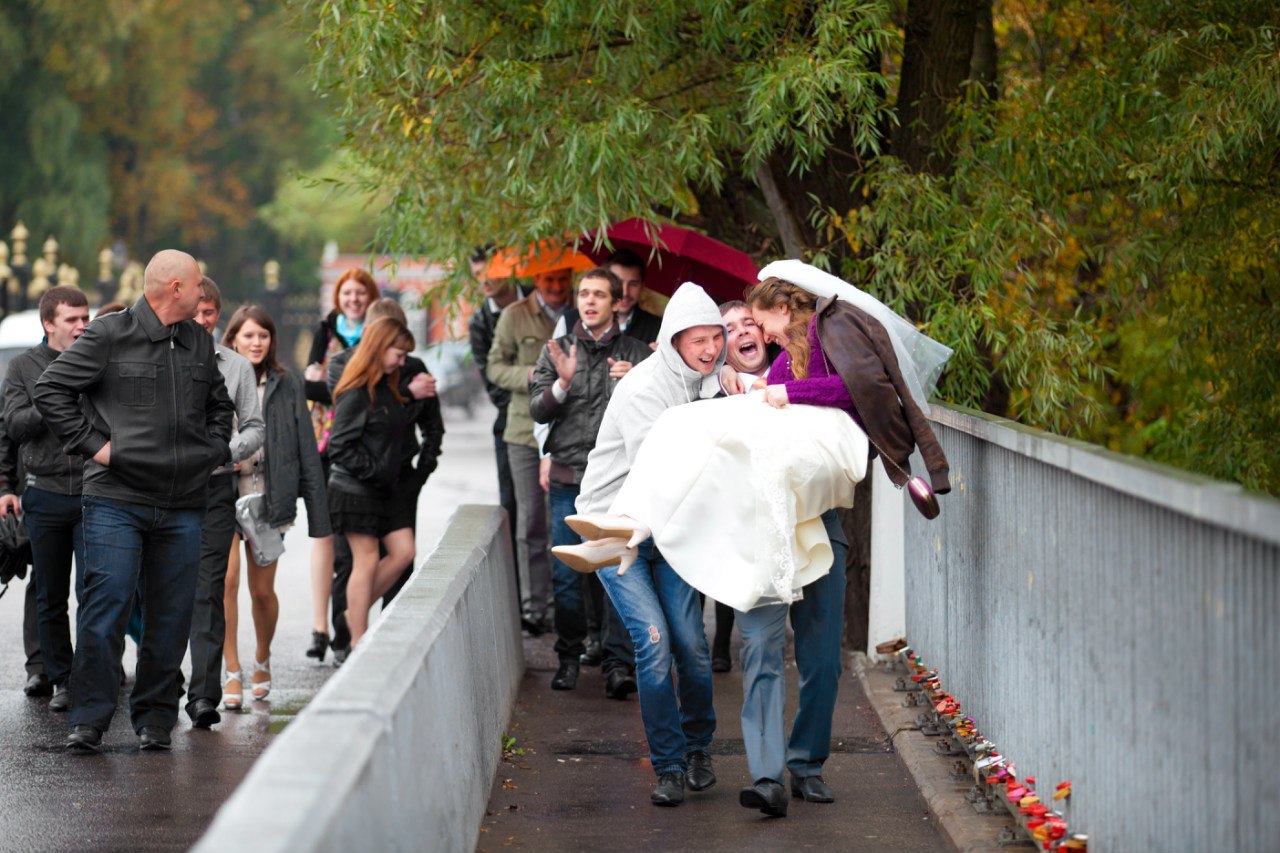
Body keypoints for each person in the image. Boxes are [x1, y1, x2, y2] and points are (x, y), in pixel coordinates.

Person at [562, 260, 953, 814]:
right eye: (732, 329)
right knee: (761, 652)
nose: (750, 333)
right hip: (760, 532)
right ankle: (767, 776)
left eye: (753, 324)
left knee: (821, 661)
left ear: (778, 322)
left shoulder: (801, 365)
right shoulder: (724, 387)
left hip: (817, 526)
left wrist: (779, 392)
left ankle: (807, 764)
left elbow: (854, 392)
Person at [33, 249, 235, 754]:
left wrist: (209, 451)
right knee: (107, 609)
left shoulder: (198, 340)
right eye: (195, 284)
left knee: (170, 618)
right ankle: (89, 719)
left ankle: (154, 720)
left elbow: (219, 406)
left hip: (184, 502)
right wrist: (97, 448)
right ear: (173, 289)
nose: (202, 290)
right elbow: (50, 388)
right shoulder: (109, 335)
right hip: (115, 500)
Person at [555, 282, 725, 808]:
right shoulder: (644, 390)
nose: (709, 349)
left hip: (672, 531)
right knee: (653, 646)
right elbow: (667, 471)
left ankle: (698, 751)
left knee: (693, 649)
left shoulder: (713, 382)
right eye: (697, 340)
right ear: (672, 340)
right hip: (618, 530)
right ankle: (669, 765)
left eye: (715, 338)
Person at [529, 267, 649, 695]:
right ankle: (568, 659)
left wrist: (635, 380)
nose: (589, 301)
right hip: (568, 477)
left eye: (599, 294)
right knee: (566, 573)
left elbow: (659, 417)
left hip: (620, 483)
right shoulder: (557, 348)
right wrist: (562, 384)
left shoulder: (637, 353)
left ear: (617, 301)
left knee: (618, 571)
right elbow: (537, 411)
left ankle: (619, 664)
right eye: (584, 294)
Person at [220, 305, 331, 707]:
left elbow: (306, 448)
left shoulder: (287, 383)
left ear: (271, 341)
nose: (255, 342)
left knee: (262, 591)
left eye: (262, 336)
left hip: (268, 498)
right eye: (248, 335)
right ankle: (231, 670)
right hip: (222, 495)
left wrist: (319, 516)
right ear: (233, 339)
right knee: (226, 582)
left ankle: (262, 660)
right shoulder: (217, 378)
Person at [0, 286, 90, 711]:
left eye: (85, 317)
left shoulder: (98, 360)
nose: (81, 326)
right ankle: (59, 678)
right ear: (49, 323)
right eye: (72, 319)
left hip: (96, 492)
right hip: (45, 491)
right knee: (49, 593)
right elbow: (13, 427)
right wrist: (5, 487)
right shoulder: (22, 367)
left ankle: (95, 674)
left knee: (97, 590)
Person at [325, 297, 443, 613]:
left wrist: (420, 474)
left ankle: (390, 624)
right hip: (357, 480)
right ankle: (347, 638)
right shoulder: (342, 364)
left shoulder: (413, 367)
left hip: (400, 476)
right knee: (352, 562)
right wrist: (407, 394)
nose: (400, 360)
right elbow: (359, 404)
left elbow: (433, 427)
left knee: (401, 559)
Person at [183, 276, 265, 727]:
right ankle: (159, 693)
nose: (202, 319)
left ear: (218, 315)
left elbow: (254, 427)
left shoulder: (236, 367)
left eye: (209, 312)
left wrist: (225, 452)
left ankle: (204, 695)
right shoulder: (162, 357)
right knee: (164, 590)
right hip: (166, 489)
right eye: (195, 311)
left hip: (216, 487)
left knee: (210, 589)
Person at [486, 266, 572, 633]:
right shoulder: (514, 315)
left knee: (565, 524)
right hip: (523, 431)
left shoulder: (577, 314)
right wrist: (530, 376)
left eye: (561, 280)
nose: (555, 287)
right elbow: (493, 367)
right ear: (536, 281)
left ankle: (563, 608)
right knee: (531, 523)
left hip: (567, 432)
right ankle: (533, 608)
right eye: (548, 280)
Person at [326, 317, 419, 648]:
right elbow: (339, 447)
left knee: (404, 551)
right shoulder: (356, 392)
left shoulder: (387, 386)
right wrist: (375, 469)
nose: (402, 361)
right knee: (364, 560)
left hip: (385, 488)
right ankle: (357, 640)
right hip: (354, 490)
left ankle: (354, 613)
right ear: (380, 347)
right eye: (399, 353)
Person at [303, 268, 378, 662]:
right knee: (328, 538)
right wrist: (347, 386)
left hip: (361, 444)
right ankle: (324, 627)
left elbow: (329, 384)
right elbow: (309, 383)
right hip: (323, 444)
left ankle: (344, 628)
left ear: (369, 297)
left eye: (359, 293)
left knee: (353, 549)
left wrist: (331, 385)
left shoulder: (376, 331)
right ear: (338, 297)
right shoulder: (326, 330)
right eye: (346, 293)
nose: (353, 299)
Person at [467, 247, 526, 607]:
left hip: (560, 420)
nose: (485, 281)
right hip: (511, 423)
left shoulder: (541, 297)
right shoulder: (480, 322)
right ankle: (519, 598)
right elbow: (493, 383)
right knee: (514, 507)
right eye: (478, 274)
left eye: (492, 271)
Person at [551, 249, 662, 345]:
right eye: (618, 282)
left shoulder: (657, 327)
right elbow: (548, 366)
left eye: (633, 284)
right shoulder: (568, 321)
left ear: (642, 286)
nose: (625, 292)